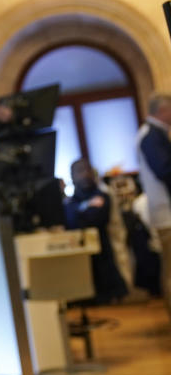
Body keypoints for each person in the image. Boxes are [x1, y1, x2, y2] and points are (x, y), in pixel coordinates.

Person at [64, 159, 128, 304]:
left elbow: (94, 219)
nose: (85, 175)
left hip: (105, 261)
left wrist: (80, 212)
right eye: (80, 171)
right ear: (72, 176)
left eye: (88, 171)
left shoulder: (103, 196)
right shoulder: (69, 202)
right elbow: (71, 220)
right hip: (80, 266)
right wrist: (84, 209)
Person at [136, 93, 171, 317]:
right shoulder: (151, 135)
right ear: (163, 111)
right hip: (166, 213)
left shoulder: (155, 133)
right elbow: (165, 170)